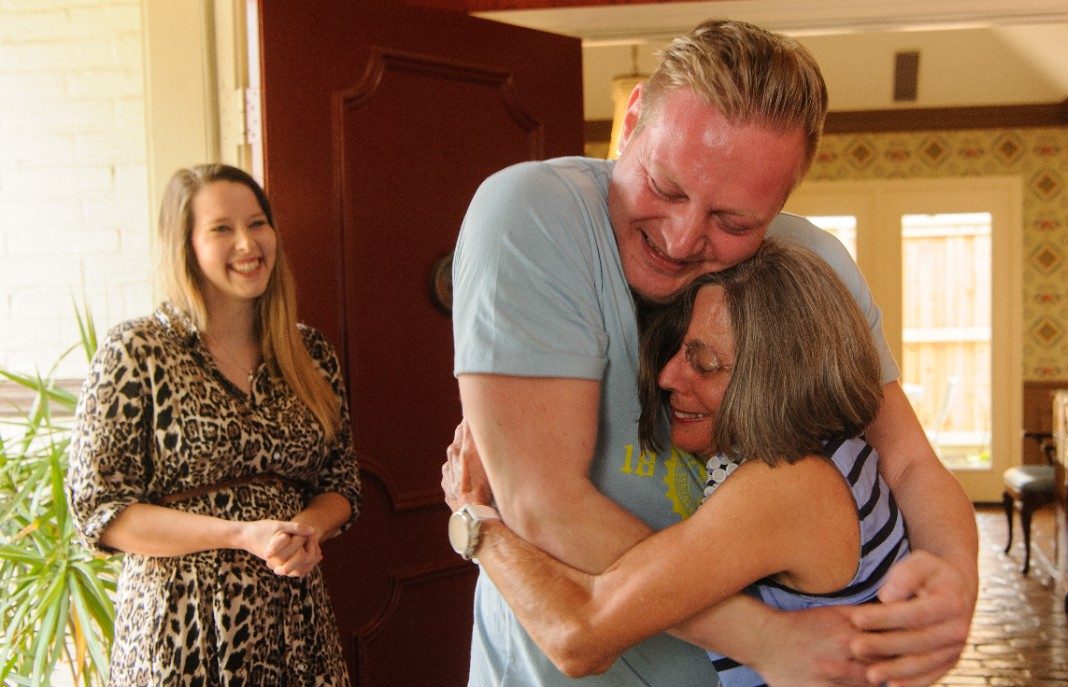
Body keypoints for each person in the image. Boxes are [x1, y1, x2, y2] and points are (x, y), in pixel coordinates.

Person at [451, 19, 977, 686]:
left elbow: (905, 457)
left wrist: (954, 573)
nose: (680, 236)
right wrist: (763, 637)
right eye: (665, 187)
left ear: (782, 204)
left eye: (733, 222)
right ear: (634, 117)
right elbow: (544, 504)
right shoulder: (531, 217)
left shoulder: (813, 265)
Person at [444, 240, 912, 686]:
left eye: (704, 364)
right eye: (677, 352)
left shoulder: (788, 486)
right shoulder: (839, 454)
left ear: (776, 380)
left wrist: (475, 518)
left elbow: (578, 637)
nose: (669, 377)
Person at [68, 164, 361, 685]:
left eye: (257, 223)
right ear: (186, 246)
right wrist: (241, 535)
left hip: (295, 625)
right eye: (222, 228)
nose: (248, 243)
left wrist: (304, 531)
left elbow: (341, 485)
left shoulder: (309, 353)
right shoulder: (137, 352)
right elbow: (101, 512)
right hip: (179, 633)